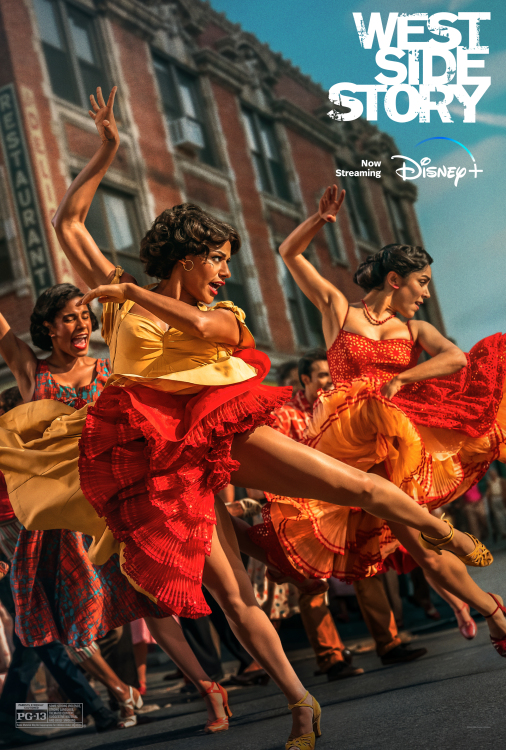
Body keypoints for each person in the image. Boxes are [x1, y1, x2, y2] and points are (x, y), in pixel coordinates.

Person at [0, 87, 491, 750]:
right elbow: (67, 225)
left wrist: (132, 289)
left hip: (219, 430)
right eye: (220, 261)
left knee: (357, 487)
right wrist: (108, 150)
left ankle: (450, 540)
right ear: (190, 255)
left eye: (230, 264)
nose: (226, 275)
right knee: (234, 598)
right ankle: (300, 704)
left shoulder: (218, 314)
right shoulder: (118, 307)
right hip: (163, 465)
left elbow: (207, 327)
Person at [249, 184, 506, 661]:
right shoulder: (338, 310)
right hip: (347, 454)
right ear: (395, 280)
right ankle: (491, 612)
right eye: (422, 282)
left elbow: (454, 360)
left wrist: (403, 378)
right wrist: (318, 221)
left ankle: (494, 612)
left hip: (398, 457)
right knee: (381, 551)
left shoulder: (415, 331)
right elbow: (288, 251)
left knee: (427, 549)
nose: (426, 293)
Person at [485, 467, 506, 540]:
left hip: (502, 498)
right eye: (491, 474)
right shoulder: (489, 483)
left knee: (504, 513)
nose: (493, 475)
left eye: (494, 474)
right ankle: (504, 532)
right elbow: (488, 493)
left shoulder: (501, 481)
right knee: (498, 517)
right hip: (494, 499)